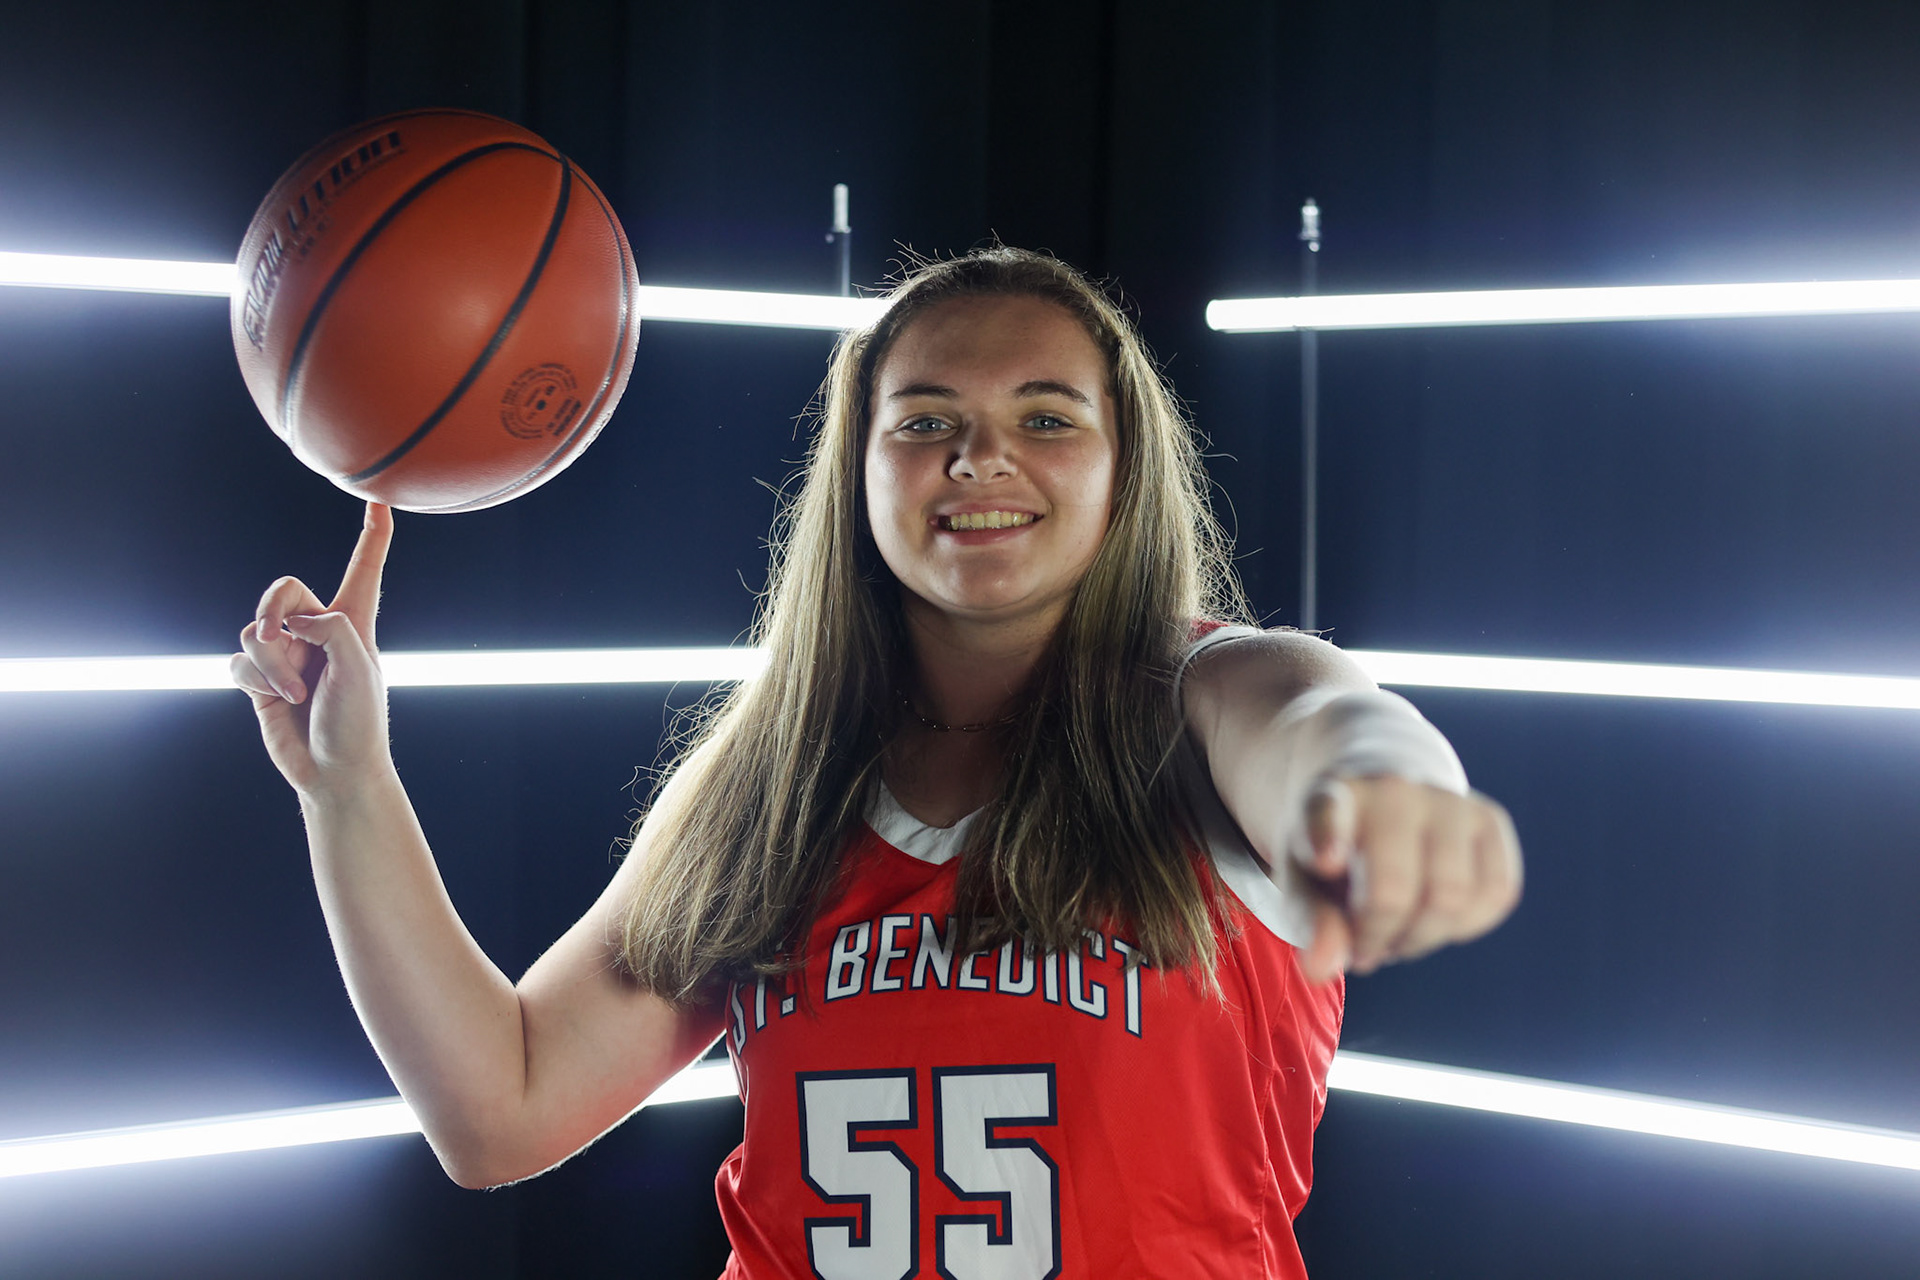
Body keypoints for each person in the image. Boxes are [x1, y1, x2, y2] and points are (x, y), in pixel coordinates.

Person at [231, 247, 1521, 1278]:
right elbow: (497, 1111)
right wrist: (348, 788)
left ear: (1126, 475)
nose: (980, 457)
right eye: (924, 421)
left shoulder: (1207, 698)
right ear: (857, 476)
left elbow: (1321, 724)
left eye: (1047, 416)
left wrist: (1384, 799)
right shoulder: (774, 781)